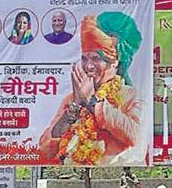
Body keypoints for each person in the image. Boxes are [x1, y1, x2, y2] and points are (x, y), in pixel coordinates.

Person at [39, 12, 142, 165]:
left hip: (113, 175)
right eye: (84, 59)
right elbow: (46, 149)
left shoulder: (131, 95)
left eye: (96, 58)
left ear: (114, 62)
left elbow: (137, 136)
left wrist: (92, 103)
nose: (88, 66)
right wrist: (74, 108)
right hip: (75, 174)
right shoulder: (72, 99)